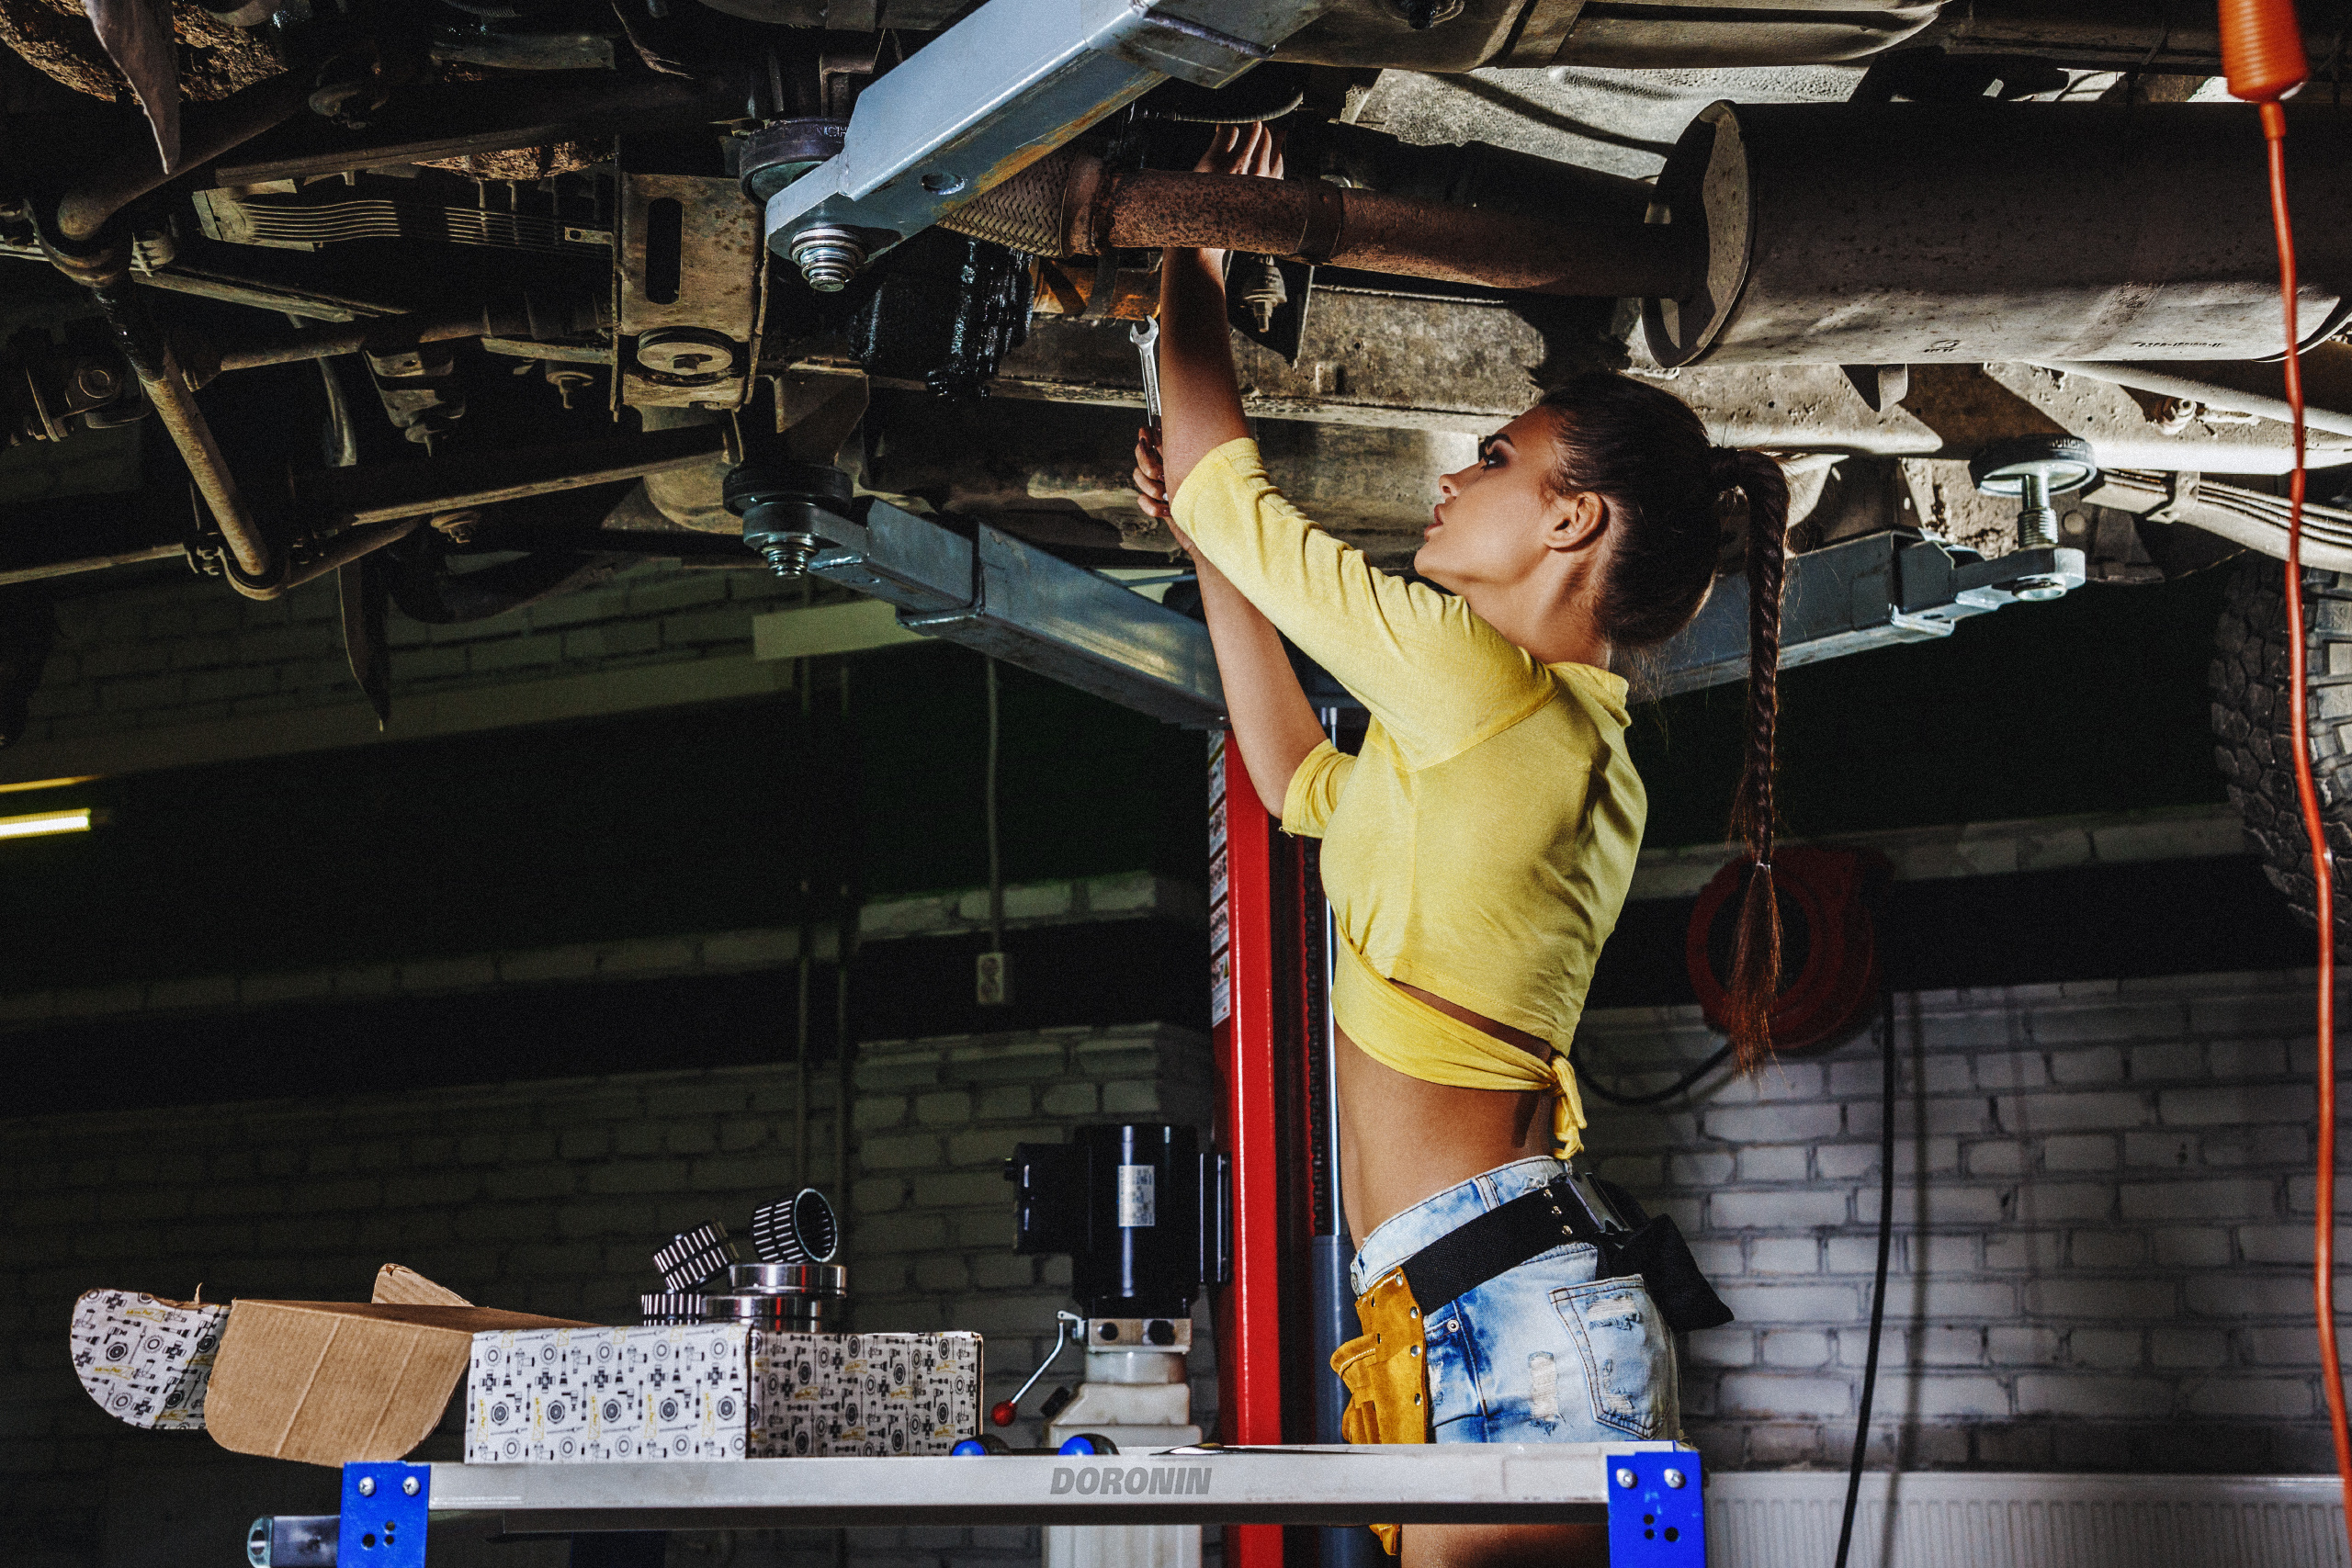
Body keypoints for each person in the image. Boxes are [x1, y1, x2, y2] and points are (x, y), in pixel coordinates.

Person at [1131, 124, 1790, 1568]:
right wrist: (1209, 555)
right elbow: (1301, 776)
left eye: (1493, 457)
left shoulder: (1486, 694)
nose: (1453, 476)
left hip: (1517, 1318)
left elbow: (1220, 481)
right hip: (1503, 1308)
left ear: (1572, 517)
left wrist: (1191, 252)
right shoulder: (1546, 742)